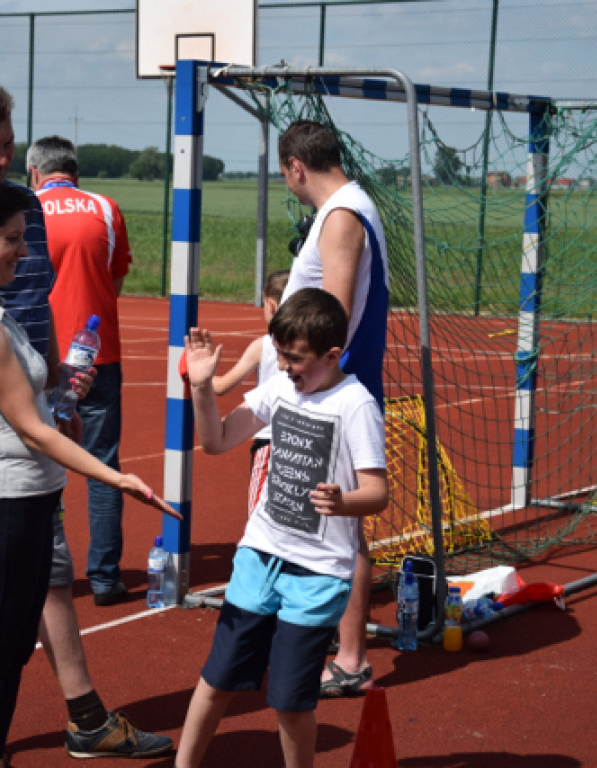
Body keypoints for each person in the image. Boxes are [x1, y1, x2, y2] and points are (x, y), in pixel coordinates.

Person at [0, 81, 172, 765]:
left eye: (11, 146)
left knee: (35, 587)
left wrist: (50, 389)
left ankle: (71, 715)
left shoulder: (24, 210)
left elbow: (33, 310)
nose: (4, 158)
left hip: (29, 414)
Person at [176, 287, 388, 768]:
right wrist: (202, 387)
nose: (286, 367)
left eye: (295, 359)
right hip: (259, 557)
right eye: (280, 355)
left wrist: (344, 500)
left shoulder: (355, 405)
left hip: (316, 574)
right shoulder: (280, 388)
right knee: (217, 681)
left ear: (332, 355)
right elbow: (216, 440)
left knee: (291, 702)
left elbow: (378, 493)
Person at [276, 119, 389, 698]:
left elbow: (331, 315)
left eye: (287, 178)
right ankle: (335, 646)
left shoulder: (342, 215)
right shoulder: (348, 209)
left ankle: (349, 658)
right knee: (327, 521)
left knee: (342, 527)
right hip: (326, 389)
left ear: (296, 167)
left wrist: (306, 383)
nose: (290, 187)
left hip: (333, 396)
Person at [26, 135, 132, 606]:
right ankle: (106, 578)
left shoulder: (24, 207)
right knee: (103, 466)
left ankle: (42, 572)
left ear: (34, 171)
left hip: (36, 355)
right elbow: (116, 279)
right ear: (75, 171)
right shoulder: (105, 208)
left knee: (35, 465)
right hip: (98, 353)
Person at [210, 269, 289, 517]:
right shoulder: (313, 346)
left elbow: (221, 386)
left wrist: (196, 375)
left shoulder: (263, 346)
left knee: (260, 517)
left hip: (269, 440)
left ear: (272, 305)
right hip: (304, 439)